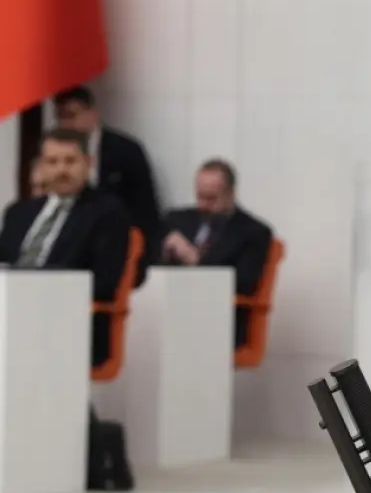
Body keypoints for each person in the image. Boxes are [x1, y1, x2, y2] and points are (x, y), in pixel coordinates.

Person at [0, 128, 132, 368]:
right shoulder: (18, 213)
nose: (61, 170)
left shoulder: (107, 212)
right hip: (12, 312)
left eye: (70, 161)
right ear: (42, 166)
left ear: (88, 163)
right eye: (52, 162)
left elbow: (104, 283)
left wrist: (37, 290)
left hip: (68, 320)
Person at [53, 86, 163, 282]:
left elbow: (146, 209)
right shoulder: (53, 153)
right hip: (70, 247)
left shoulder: (125, 151)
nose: (66, 124)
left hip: (118, 244)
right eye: (60, 117)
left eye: (72, 115)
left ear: (93, 113)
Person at [160, 158, 273, 348]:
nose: (203, 205)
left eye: (212, 198)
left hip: (221, 320)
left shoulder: (253, 232)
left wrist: (196, 260)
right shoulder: (175, 220)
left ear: (231, 194)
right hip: (169, 311)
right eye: (200, 196)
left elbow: (243, 284)